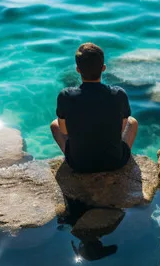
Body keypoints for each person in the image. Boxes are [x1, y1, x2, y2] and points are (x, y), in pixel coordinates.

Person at [51, 43, 138, 173]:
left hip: (78, 164)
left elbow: (64, 131)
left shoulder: (66, 95)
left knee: (54, 125)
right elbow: (120, 130)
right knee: (132, 122)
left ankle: (73, 156)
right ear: (103, 68)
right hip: (115, 162)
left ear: (78, 70)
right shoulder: (119, 94)